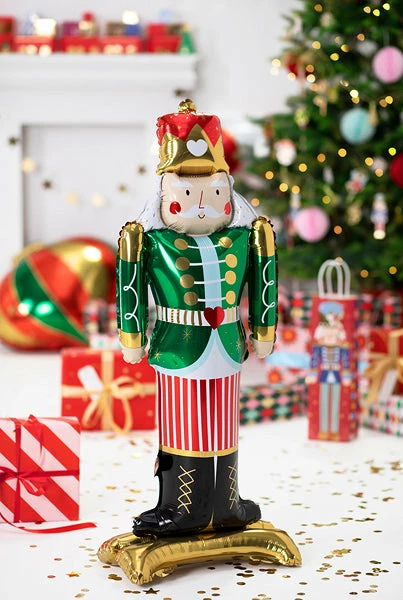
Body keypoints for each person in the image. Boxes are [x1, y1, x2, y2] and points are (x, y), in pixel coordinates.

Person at [116, 100, 278, 536]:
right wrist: (131, 334)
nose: (201, 206)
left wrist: (264, 328)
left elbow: (263, 278)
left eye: (213, 196)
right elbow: (130, 284)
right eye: (187, 197)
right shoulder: (151, 241)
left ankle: (226, 504)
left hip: (228, 343)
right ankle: (182, 506)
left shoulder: (245, 236)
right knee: (184, 426)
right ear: (166, 197)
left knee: (223, 426)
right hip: (177, 345)